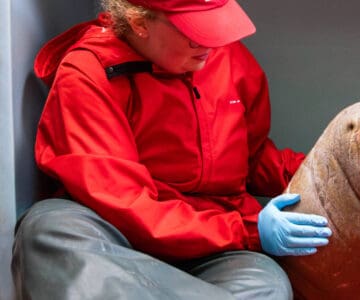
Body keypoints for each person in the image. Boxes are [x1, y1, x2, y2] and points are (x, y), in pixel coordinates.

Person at [11, 0, 332, 299]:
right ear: (140, 23)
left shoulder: (227, 57)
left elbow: (253, 157)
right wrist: (248, 231)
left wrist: (333, 176)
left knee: (268, 285)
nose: (211, 43)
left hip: (215, 246)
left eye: (217, 25)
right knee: (48, 230)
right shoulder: (87, 73)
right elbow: (122, 202)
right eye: (196, 33)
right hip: (118, 239)